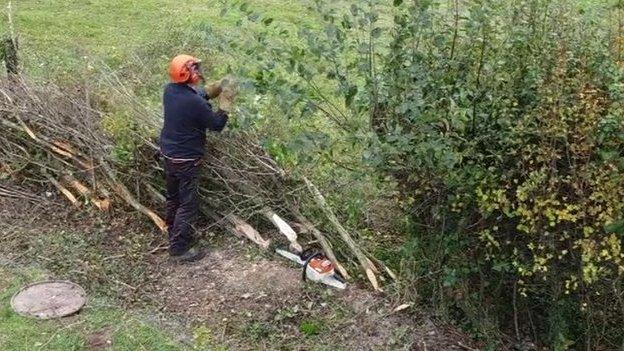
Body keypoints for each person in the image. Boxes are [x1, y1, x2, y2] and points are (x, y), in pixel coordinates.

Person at [159, 54, 229, 262]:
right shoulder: (194, 103)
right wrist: (226, 104)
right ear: (186, 73)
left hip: (169, 154)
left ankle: (174, 235)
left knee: (173, 198)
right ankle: (179, 249)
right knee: (188, 204)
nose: (199, 72)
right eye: (195, 69)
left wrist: (210, 91)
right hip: (187, 160)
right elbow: (216, 125)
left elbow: (194, 96)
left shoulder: (170, 90)